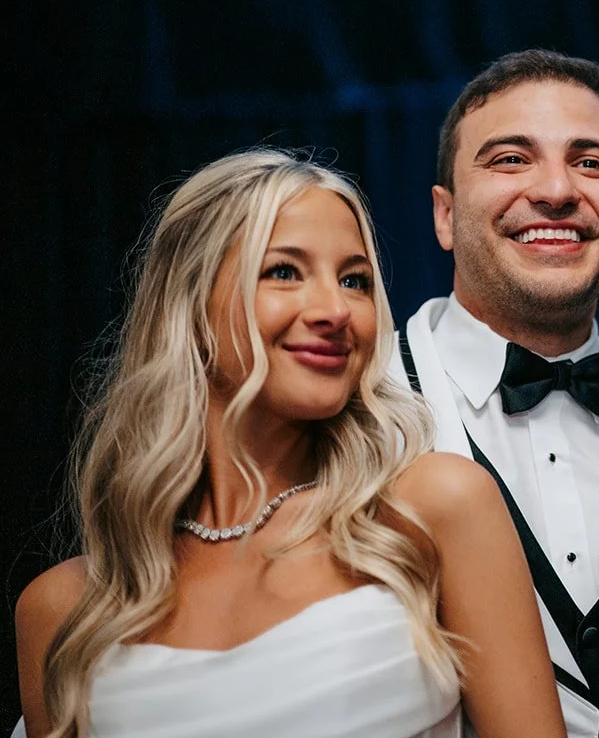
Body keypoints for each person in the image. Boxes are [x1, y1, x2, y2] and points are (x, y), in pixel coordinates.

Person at [12, 148, 565, 738]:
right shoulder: (62, 610)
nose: (334, 310)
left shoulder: (430, 508)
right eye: (283, 271)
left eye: (354, 281)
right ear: (192, 306)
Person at [393, 50, 599, 738]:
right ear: (445, 216)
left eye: (591, 162)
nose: (557, 190)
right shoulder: (358, 412)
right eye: (511, 159)